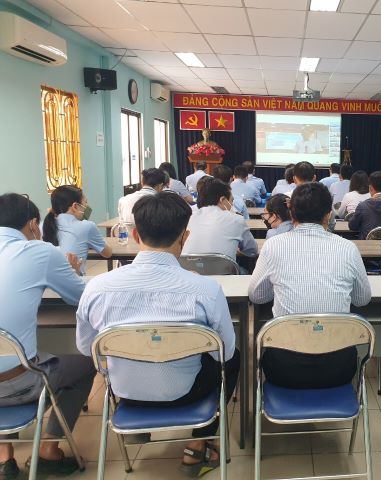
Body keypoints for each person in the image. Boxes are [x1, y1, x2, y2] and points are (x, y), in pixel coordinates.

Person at [76, 192, 240, 475]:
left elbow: (86, 349)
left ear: (135, 234)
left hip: (126, 393)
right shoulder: (205, 290)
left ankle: (137, 428)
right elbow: (222, 353)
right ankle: (199, 443)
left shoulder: (97, 288)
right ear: (185, 237)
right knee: (234, 357)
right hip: (186, 392)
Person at [0, 193, 94, 478]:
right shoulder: (40, 252)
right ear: (33, 224)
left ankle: (4, 458)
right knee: (86, 363)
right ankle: (48, 451)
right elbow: (81, 297)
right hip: (17, 383)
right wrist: (72, 273)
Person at [248, 182, 371, 388]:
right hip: (338, 369)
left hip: (283, 367)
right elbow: (362, 299)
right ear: (328, 215)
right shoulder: (347, 248)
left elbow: (256, 296)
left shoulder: (273, 246)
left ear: (291, 213)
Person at [42, 185, 112, 275]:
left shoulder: (44, 225)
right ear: (75, 206)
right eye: (85, 203)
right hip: (74, 280)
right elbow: (107, 253)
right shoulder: (87, 226)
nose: (87, 207)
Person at [182, 178, 257, 261]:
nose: (232, 205)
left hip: (188, 267)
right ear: (223, 200)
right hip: (225, 268)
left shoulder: (189, 217)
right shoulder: (236, 219)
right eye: (231, 201)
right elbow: (252, 250)